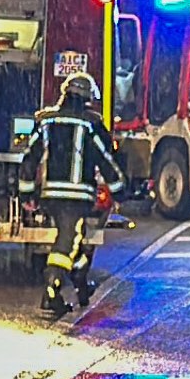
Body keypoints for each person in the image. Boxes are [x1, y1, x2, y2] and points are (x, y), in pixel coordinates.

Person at [18, 72, 125, 315]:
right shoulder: (92, 124)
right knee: (68, 241)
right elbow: (106, 161)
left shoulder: (46, 121)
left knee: (77, 239)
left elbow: (29, 159)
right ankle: (51, 291)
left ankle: (80, 280)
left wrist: (26, 194)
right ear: (87, 98)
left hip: (51, 197)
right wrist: (120, 191)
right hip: (77, 198)